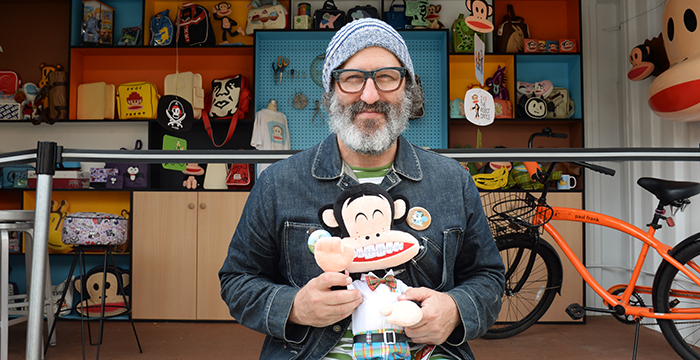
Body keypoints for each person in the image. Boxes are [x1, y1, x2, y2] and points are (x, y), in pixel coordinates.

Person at [219, 18, 505, 359]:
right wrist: (294, 306)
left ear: (407, 89)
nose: (370, 96)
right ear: (330, 92)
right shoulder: (279, 183)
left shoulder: (452, 180)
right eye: (353, 78)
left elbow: (487, 276)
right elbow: (237, 280)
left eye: (386, 76)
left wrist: (455, 309)